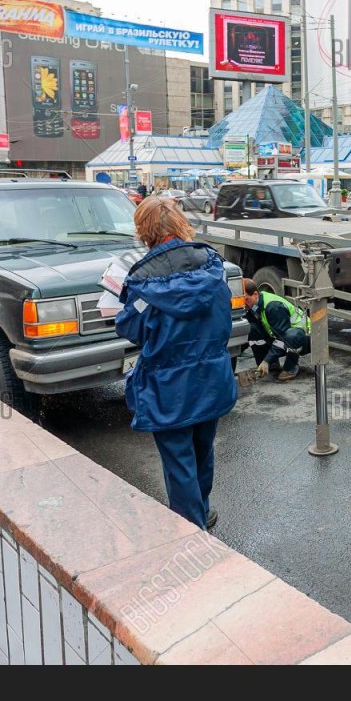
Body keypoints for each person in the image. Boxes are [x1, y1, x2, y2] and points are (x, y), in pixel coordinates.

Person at [114, 196, 237, 530]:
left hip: (168, 385)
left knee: (178, 460)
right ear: (180, 223)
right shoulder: (212, 264)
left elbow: (133, 329)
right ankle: (202, 509)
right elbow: (225, 319)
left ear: (145, 230)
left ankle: (191, 527)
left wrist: (123, 311)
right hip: (212, 375)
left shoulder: (143, 278)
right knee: (202, 450)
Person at [243, 278, 310, 382]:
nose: (244, 305)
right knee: (251, 329)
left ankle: (290, 367)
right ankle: (271, 365)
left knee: (291, 336)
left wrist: (267, 360)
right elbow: (248, 334)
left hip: (307, 338)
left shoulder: (273, 306)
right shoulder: (254, 306)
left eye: (246, 300)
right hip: (282, 336)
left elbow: (282, 339)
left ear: (255, 294)